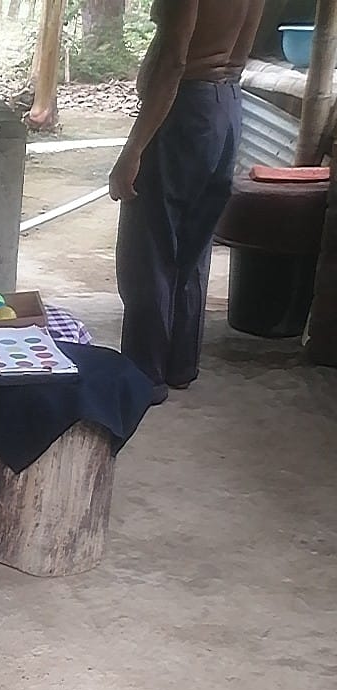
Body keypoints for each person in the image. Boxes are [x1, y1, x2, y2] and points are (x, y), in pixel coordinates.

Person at [109, 0, 265, 402]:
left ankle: (144, 376)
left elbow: (175, 60)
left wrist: (133, 150)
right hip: (227, 105)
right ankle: (180, 365)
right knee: (194, 246)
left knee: (150, 248)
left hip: (184, 108)